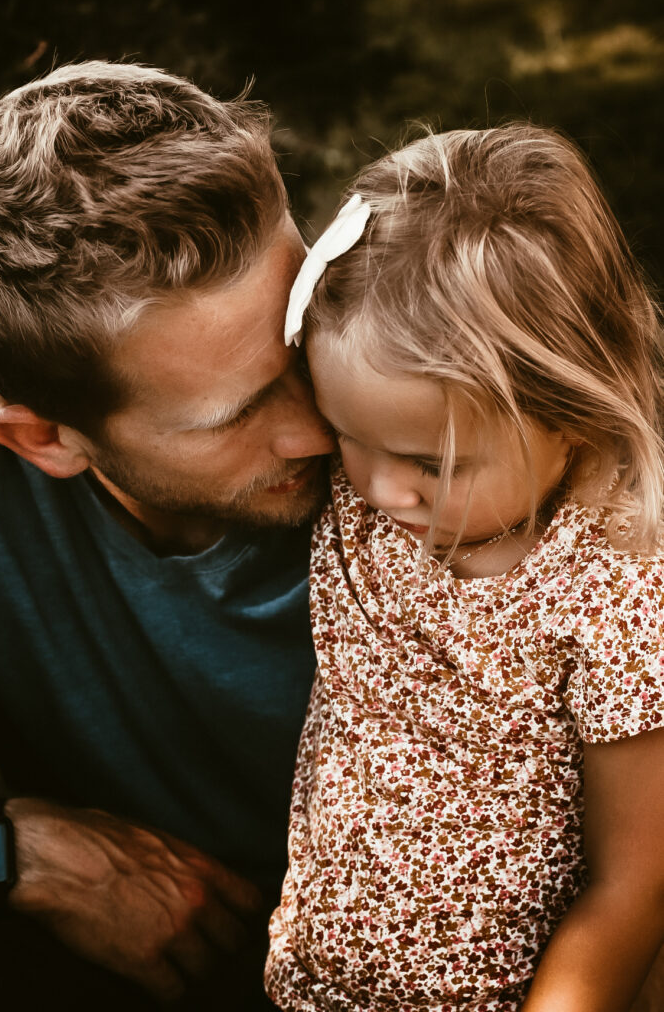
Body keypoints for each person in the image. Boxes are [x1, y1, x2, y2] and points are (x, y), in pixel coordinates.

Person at [0, 60, 334, 1009]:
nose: (319, 428)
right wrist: (2, 854)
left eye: (306, 337)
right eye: (234, 416)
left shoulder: (435, 391)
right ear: (42, 438)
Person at [263, 124, 664, 1010]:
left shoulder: (616, 593)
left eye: (430, 464)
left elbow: (635, 885)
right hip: (317, 985)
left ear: (574, 412)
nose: (374, 486)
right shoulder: (371, 492)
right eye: (346, 436)